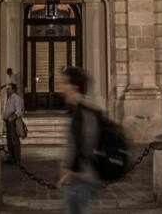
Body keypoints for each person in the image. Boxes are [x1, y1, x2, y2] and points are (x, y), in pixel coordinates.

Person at [59, 66, 100, 214]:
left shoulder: (83, 112)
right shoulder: (78, 110)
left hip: (81, 181)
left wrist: (70, 172)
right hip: (79, 181)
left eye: (64, 83)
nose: (61, 88)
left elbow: (85, 146)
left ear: (74, 87)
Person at [2, 83, 25, 164]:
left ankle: (17, 158)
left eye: (9, 89)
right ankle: (11, 157)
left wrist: (12, 118)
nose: (7, 90)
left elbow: (19, 111)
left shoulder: (16, 98)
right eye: (7, 89)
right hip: (8, 121)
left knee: (14, 140)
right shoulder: (9, 98)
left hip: (13, 122)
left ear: (13, 90)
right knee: (9, 140)